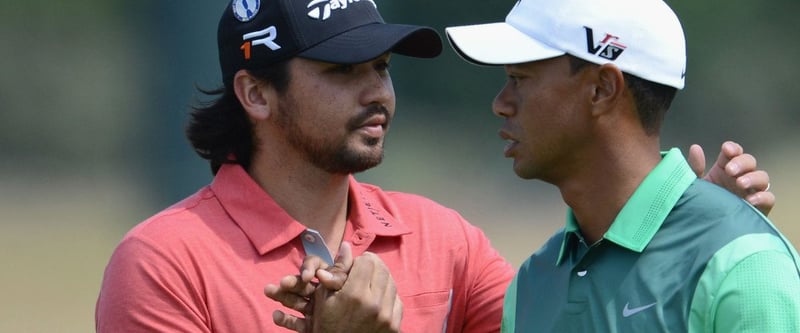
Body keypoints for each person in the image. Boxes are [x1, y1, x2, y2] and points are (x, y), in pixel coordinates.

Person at [95, 0, 775, 332]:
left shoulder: (442, 239)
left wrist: (668, 234)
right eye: (342, 71)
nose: (378, 93)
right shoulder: (163, 263)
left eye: (383, 68)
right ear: (256, 94)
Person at [444, 0, 800, 331]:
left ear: (602, 89)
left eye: (519, 78)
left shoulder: (742, 262)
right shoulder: (531, 282)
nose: (500, 104)